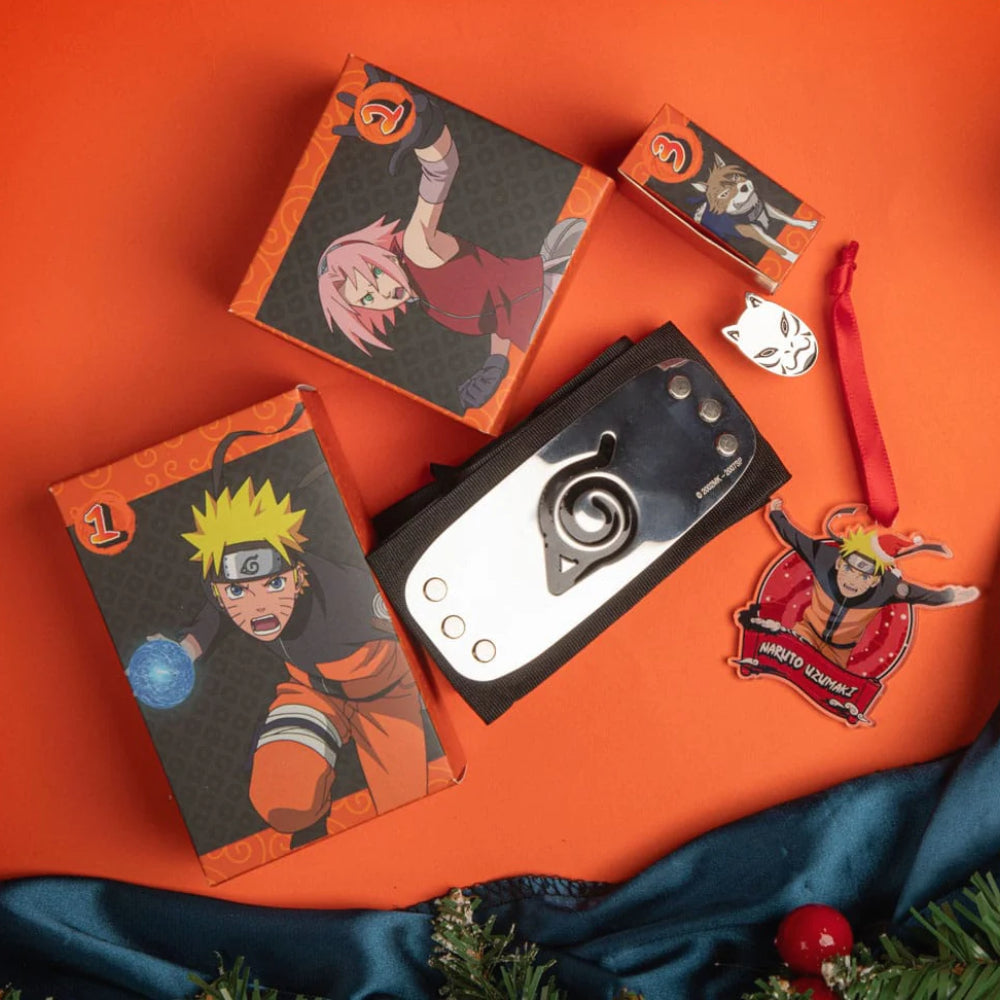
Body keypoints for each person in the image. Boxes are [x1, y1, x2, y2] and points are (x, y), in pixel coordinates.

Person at [169, 477, 428, 834]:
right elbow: (214, 618)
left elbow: (405, 609)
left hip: (386, 698)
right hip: (312, 692)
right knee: (283, 801)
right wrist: (186, 649)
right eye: (237, 591)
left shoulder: (347, 591)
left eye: (274, 584)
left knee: (407, 812)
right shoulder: (222, 603)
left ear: (297, 574)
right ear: (217, 593)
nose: (259, 606)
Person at [318, 66, 584, 411]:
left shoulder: (417, 250)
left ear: (381, 254)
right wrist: (496, 363)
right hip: (550, 319)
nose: (381, 292)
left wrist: (426, 133)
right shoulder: (425, 298)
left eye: (376, 274)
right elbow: (501, 306)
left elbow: (440, 173)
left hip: (556, 287)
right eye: (368, 297)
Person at [765, 498, 978, 670]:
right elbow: (795, 537)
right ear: (839, 562)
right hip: (805, 632)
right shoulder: (824, 559)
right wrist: (776, 513)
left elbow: (921, 595)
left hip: (838, 652)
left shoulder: (886, 588)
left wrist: (951, 596)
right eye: (849, 569)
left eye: (864, 576)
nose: (853, 580)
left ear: (875, 580)